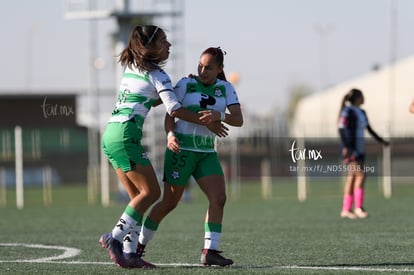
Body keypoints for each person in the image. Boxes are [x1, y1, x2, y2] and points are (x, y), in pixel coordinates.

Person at [99, 26, 227, 269]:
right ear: (151, 47)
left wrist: (174, 94)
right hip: (127, 134)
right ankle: (113, 238)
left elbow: (156, 98)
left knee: (137, 197)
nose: (169, 45)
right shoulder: (158, 75)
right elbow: (175, 110)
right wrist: (207, 120)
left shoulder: (133, 66)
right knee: (152, 193)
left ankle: (129, 253)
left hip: (110, 135)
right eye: (163, 41)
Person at [137, 47, 243, 266]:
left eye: (209, 68)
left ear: (220, 69)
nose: (203, 71)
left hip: (206, 153)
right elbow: (170, 114)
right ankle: (138, 246)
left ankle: (209, 251)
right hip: (181, 150)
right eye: (200, 66)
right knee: (169, 203)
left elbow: (238, 119)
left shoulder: (226, 88)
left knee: (219, 198)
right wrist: (170, 135)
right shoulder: (186, 84)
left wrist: (219, 115)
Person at [338, 88, 389, 219]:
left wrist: (381, 140)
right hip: (351, 149)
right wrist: (347, 146)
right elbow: (342, 128)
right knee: (361, 175)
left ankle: (346, 209)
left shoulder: (362, 112)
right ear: (357, 98)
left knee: (353, 176)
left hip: (360, 149)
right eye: (362, 95)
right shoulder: (347, 111)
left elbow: (369, 129)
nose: (364, 97)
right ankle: (358, 208)